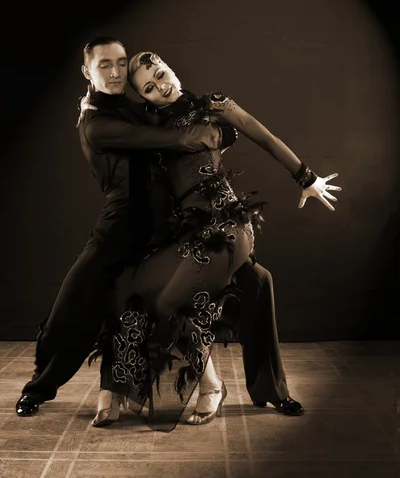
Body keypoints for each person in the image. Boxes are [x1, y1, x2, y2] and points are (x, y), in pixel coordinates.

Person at [90, 50, 341, 432]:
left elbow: (265, 136)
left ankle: (211, 386)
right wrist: (90, 104)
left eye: (161, 74)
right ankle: (116, 390)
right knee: (129, 284)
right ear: (146, 98)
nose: (162, 86)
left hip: (227, 228)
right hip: (187, 236)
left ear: (171, 67)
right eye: (151, 88)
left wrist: (306, 178)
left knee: (170, 300)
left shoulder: (213, 107)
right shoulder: (154, 131)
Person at [15, 36, 225, 417]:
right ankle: (38, 389)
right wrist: (199, 135)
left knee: (140, 304)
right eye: (104, 65)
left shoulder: (132, 106)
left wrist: (216, 127)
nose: (115, 72)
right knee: (71, 310)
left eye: (120, 63)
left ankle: (125, 394)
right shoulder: (96, 124)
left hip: (163, 230)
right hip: (119, 233)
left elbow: (173, 107)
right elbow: (164, 137)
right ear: (87, 71)